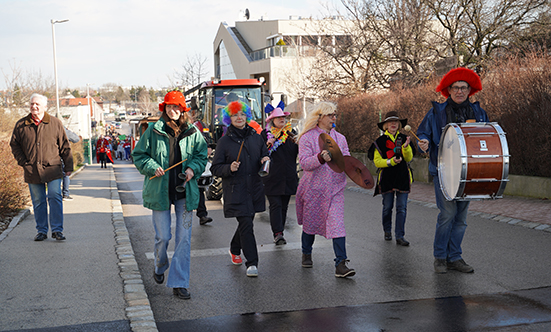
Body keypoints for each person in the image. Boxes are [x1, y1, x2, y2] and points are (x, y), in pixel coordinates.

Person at [132, 90, 208, 299]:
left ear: (183, 109)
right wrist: (151, 166)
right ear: (164, 108)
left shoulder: (193, 132)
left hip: (185, 193)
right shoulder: (154, 131)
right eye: (169, 106)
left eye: (176, 107)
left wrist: (193, 168)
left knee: (184, 239)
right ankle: (159, 265)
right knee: (163, 237)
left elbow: (202, 156)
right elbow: (139, 155)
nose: (172, 110)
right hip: (160, 192)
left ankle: (179, 282)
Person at [417, 67, 489, 274]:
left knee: (461, 217)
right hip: (443, 169)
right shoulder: (436, 112)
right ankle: (440, 257)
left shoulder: (478, 112)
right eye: (455, 88)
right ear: (448, 90)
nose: (459, 91)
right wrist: (422, 142)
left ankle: (454, 257)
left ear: (470, 90)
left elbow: (485, 138)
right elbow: (422, 134)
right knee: (448, 213)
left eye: (463, 88)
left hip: (468, 172)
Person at [295, 101, 355, 278]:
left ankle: (341, 263)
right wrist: (320, 158)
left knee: (337, 225)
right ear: (320, 117)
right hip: (314, 190)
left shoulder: (340, 138)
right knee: (310, 225)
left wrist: (352, 166)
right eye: (330, 115)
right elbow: (305, 163)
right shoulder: (307, 138)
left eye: (335, 115)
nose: (334, 118)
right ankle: (306, 252)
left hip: (335, 189)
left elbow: (347, 158)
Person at [210, 101, 270, 277]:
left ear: (247, 117)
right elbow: (215, 168)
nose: (239, 118)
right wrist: (229, 168)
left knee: (247, 223)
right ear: (230, 118)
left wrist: (264, 160)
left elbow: (264, 153)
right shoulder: (224, 141)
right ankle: (252, 263)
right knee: (246, 224)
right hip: (236, 189)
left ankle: (234, 248)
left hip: (255, 188)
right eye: (235, 115)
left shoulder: (256, 137)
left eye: (242, 114)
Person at [10, 93, 73, 241]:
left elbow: (65, 146)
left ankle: (57, 230)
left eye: (37, 104)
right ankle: (42, 231)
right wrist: (24, 162)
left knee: (54, 196)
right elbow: (14, 145)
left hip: (53, 169)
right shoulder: (21, 125)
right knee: (38, 201)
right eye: (32, 104)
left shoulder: (55, 123)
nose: (34, 106)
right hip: (32, 170)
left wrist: (68, 166)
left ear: (45, 106)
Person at [368, 111, 415, 246]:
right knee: (387, 207)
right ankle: (387, 230)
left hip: (402, 177)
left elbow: (409, 158)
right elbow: (377, 162)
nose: (393, 124)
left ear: (399, 124)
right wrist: (391, 162)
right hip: (387, 179)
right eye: (390, 122)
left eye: (396, 121)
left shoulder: (405, 138)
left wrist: (406, 148)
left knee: (402, 208)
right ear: (385, 126)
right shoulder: (380, 142)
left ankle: (400, 236)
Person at [261, 103, 298, 245]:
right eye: (278, 117)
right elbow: (258, 152)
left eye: (283, 117)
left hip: (288, 176)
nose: (282, 119)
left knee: (284, 206)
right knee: (275, 205)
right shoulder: (265, 134)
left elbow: (298, 152)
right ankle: (277, 233)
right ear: (272, 120)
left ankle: (280, 231)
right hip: (272, 177)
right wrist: (267, 144)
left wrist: (300, 143)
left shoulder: (291, 133)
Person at [190, 105, 213, 226]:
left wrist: (208, 147)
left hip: (195, 166)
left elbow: (205, 141)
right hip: (185, 166)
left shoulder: (200, 127)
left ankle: (202, 215)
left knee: (199, 190)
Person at [62, 127, 80, 201]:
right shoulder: (64, 130)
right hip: (64, 156)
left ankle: (54, 195)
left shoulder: (48, 129)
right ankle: (65, 194)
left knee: (53, 177)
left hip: (51, 157)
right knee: (66, 175)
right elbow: (76, 139)